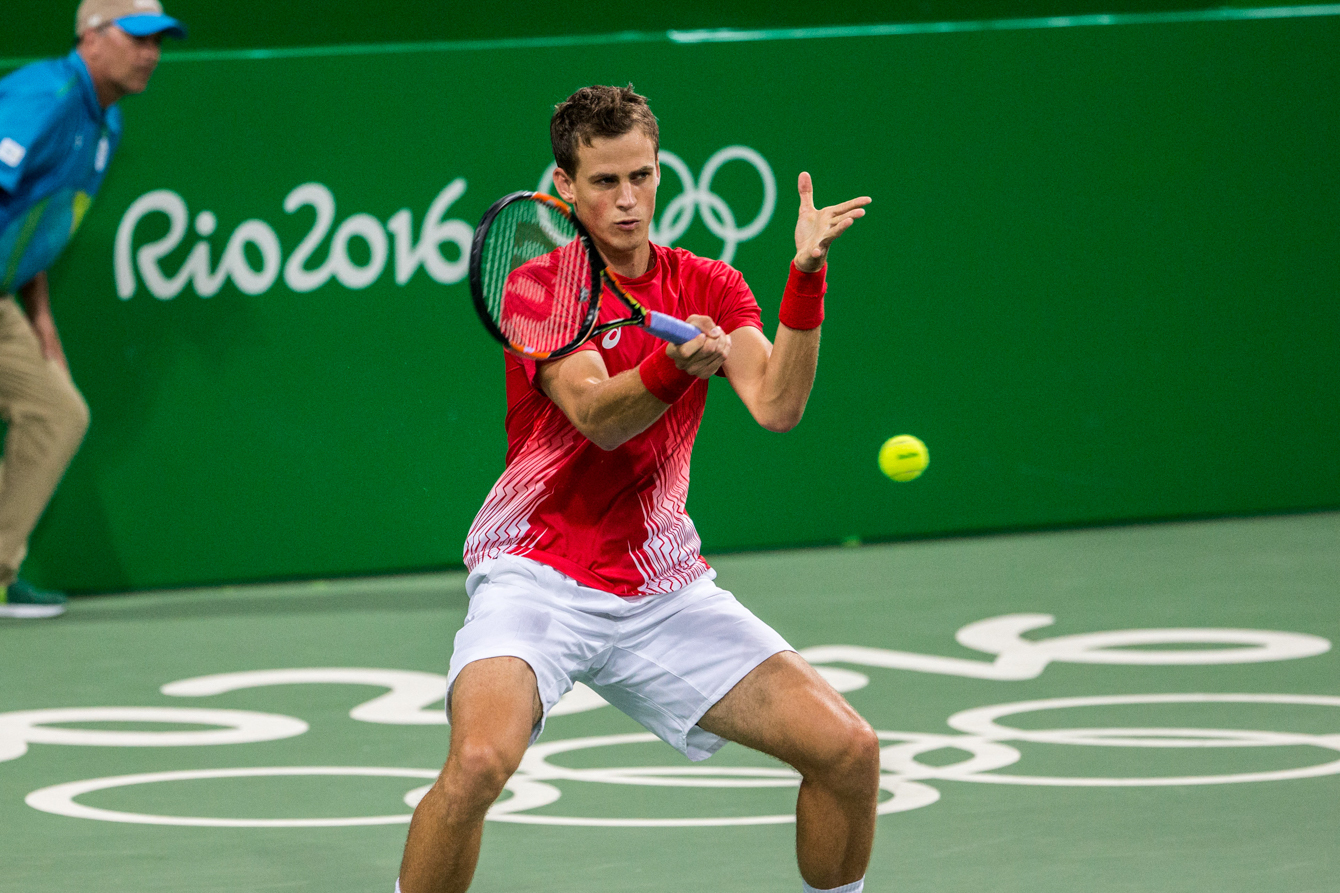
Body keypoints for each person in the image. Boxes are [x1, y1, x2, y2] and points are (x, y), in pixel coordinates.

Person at [399, 85, 875, 893]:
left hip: (659, 583)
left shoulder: (709, 286)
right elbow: (595, 414)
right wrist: (667, 367)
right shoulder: (540, 287)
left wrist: (804, 277)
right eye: (605, 182)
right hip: (535, 571)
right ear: (564, 187)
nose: (628, 200)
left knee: (848, 752)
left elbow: (778, 403)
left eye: (642, 177)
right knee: (478, 762)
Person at [0, 0, 185, 618]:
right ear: (91, 37)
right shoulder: (43, 96)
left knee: (57, 413)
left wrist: (40, 309)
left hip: (7, 295)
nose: (149, 54)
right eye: (137, 39)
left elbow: (38, 222)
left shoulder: (106, 124)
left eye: (158, 42)